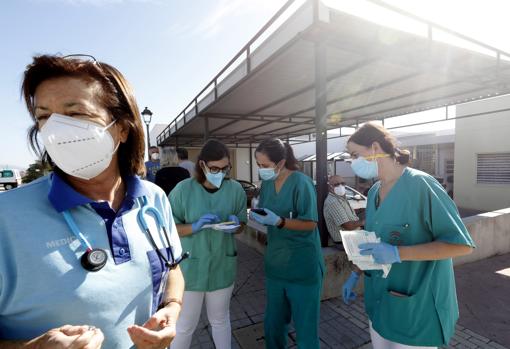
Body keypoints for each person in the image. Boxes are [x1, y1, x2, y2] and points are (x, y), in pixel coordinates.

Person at [0, 54, 185, 349]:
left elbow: (173, 267)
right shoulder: (6, 217)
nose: (56, 131)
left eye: (74, 115)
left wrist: (172, 310)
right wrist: (32, 347)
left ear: (122, 128)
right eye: (44, 117)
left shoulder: (153, 199)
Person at [342, 122, 474, 349]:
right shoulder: (374, 191)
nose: (353, 162)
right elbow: (374, 241)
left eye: (355, 155)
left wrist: (397, 253)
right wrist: (355, 272)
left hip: (416, 306)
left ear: (375, 147)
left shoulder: (421, 185)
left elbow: (460, 245)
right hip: (380, 304)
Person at [169, 139, 247, 349]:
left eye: (225, 168)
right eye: (214, 168)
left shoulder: (235, 189)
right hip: (190, 269)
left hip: (223, 265)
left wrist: (236, 226)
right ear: (202, 165)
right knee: (185, 325)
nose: (220, 173)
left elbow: (242, 224)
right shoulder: (183, 190)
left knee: (220, 320)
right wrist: (194, 227)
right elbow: (168, 228)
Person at [249, 138, 325, 349]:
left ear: (281, 162)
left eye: (265, 165)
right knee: (273, 326)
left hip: (302, 268)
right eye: (258, 165)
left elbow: (310, 223)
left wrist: (279, 221)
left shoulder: (301, 182)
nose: (261, 170)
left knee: (306, 332)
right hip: (276, 267)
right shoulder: (267, 183)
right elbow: (264, 210)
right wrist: (255, 215)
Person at [323, 175, 364, 243]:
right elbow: (349, 226)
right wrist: (363, 222)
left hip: (353, 236)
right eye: (336, 184)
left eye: (343, 183)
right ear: (330, 187)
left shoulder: (341, 199)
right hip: (345, 241)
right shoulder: (333, 202)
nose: (340, 186)